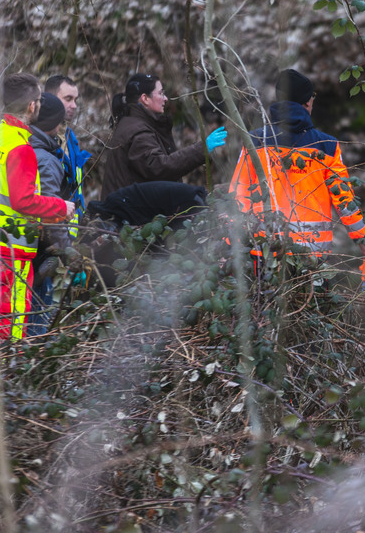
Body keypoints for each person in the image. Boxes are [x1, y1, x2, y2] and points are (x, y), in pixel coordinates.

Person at [228, 68, 365, 271]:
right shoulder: (327, 145)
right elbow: (344, 200)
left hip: (263, 254)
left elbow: (238, 196)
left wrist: (229, 249)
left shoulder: (255, 141)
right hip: (312, 258)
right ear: (308, 102)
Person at [0, 74, 74, 341]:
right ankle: (7, 377)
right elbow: (23, 200)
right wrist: (61, 207)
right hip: (12, 252)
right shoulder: (21, 147)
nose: (40, 105)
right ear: (31, 105)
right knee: (10, 325)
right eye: (39, 100)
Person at [99, 73, 227, 198]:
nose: (165, 98)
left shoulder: (133, 124)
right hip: (129, 216)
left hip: (129, 211)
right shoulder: (137, 131)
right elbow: (159, 168)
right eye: (160, 93)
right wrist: (202, 149)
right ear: (145, 99)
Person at [27, 93, 71, 336]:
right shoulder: (46, 160)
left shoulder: (25, 146)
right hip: (39, 254)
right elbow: (51, 213)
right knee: (36, 321)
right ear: (54, 123)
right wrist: (68, 250)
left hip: (21, 248)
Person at [45, 75, 90, 228]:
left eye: (76, 100)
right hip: (52, 229)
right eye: (68, 99)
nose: (74, 105)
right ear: (51, 99)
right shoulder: (39, 138)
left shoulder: (70, 136)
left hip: (71, 229)